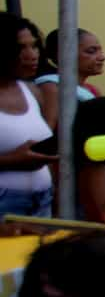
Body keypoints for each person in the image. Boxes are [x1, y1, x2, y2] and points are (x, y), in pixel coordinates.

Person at [0, 12, 55, 219]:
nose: (32, 55)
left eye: (34, 46)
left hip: (41, 199)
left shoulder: (32, 91)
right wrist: (11, 160)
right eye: (20, 48)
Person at [36, 28, 105, 130]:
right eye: (91, 51)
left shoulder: (93, 90)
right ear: (64, 55)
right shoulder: (51, 87)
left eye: (100, 51)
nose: (102, 57)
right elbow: (48, 129)